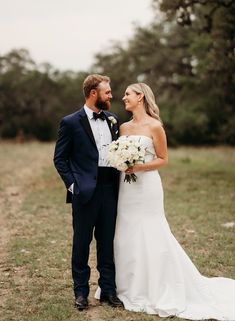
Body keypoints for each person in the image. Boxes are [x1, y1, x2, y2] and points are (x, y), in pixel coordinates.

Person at [113, 83, 235, 319]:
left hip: (147, 188)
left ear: (140, 97)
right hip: (127, 189)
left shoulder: (155, 126)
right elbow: (118, 154)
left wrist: (138, 166)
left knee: (152, 230)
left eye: (128, 94)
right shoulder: (124, 127)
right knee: (126, 230)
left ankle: (158, 286)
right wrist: (122, 163)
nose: (123, 97)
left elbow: (163, 159)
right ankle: (127, 286)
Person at [53, 74, 123, 310]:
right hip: (84, 191)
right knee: (81, 243)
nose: (111, 96)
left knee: (107, 242)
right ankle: (81, 293)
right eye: (108, 92)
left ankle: (108, 290)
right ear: (94, 93)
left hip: (110, 189)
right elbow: (60, 159)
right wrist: (73, 186)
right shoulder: (71, 122)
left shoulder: (113, 119)